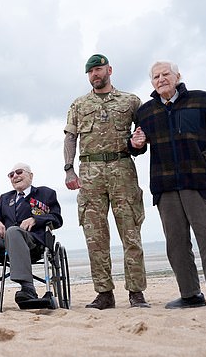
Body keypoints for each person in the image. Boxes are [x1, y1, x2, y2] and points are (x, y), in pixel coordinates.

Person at [132, 60, 206, 310]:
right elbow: (138, 145)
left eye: (165, 74)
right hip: (165, 186)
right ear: (152, 83)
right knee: (176, 244)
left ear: (178, 75)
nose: (161, 79)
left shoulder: (203, 100)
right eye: (155, 76)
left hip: (199, 181)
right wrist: (135, 144)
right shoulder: (145, 112)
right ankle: (190, 295)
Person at [63, 54, 150, 310]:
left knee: (131, 233)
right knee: (95, 237)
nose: (95, 75)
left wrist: (139, 143)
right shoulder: (78, 104)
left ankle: (136, 293)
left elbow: (142, 137)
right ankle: (104, 293)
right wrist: (69, 170)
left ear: (109, 69)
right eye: (90, 72)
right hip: (89, 173)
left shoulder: (131, 101)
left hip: (122, 169)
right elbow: (70, 138)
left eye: (99, 69)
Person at [0, 163, 63, 307]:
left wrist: (36, 219)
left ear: (30, 176)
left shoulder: (45, 193)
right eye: (11, 175)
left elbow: (57, 219)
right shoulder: (6, 199)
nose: (15, 176)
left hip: (33, 242)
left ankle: (27, 288)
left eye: (19, 172)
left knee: (13, 231)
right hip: (5, 244)